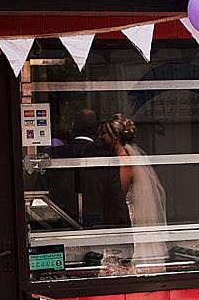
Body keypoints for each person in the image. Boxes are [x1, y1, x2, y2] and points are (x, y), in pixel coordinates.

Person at [99, 114, 169, 269]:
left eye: (104, 133)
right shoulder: (131, 156)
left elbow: (119, 193)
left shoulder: (124, 160)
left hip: (131, 220)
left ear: (115, 136)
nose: (101, 137)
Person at [47, 109, 132, 232]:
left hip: (58, 228)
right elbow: (116, 200)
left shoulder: (54, 154)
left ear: (73, 127)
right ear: (96, 131)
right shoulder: (106, 158)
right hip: (97, 228)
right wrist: (125, 234)